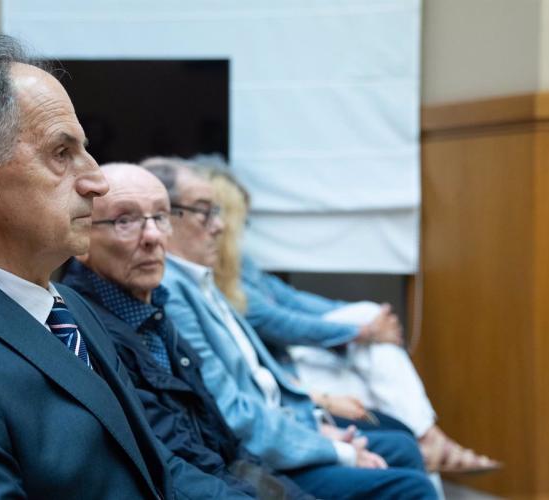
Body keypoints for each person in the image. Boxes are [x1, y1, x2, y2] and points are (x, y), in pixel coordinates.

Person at [0, 35, 245, 499]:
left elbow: (156, 467)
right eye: (61, 153)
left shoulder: (68, 306)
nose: (96, 181)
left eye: (84, 150)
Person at [144, 157, 438, 499]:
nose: (220, 226)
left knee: (402, 443)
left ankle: (429, 433)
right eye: (204, 212)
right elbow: (234, 409)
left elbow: (290, 304)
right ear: (167, 218)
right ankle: (430, 435)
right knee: (411, 480)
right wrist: (331, 444)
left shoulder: (203, 278)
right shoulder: (173, 290)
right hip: (259, 457)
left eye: (220, 213)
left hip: (284, 420)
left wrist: (317, 421)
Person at [204, 163, 500, 475]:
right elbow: (281, 323)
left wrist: (364, 324)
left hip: (299, 367)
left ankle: (429, 443)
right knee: (371, 344)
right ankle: (430, 437)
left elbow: (295, 300)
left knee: (380, 384)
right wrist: (362, 330)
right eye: (242, 220)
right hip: (287, 376)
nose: (238, 230)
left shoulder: (242, 264)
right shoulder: (214, 281)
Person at [62, 162, 313, 499]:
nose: (152, 236)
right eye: (125, 220)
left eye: (161, 217)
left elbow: (224, 442)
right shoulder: (85, 333)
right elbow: (175, 464)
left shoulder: (154, 310)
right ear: (82, 240)